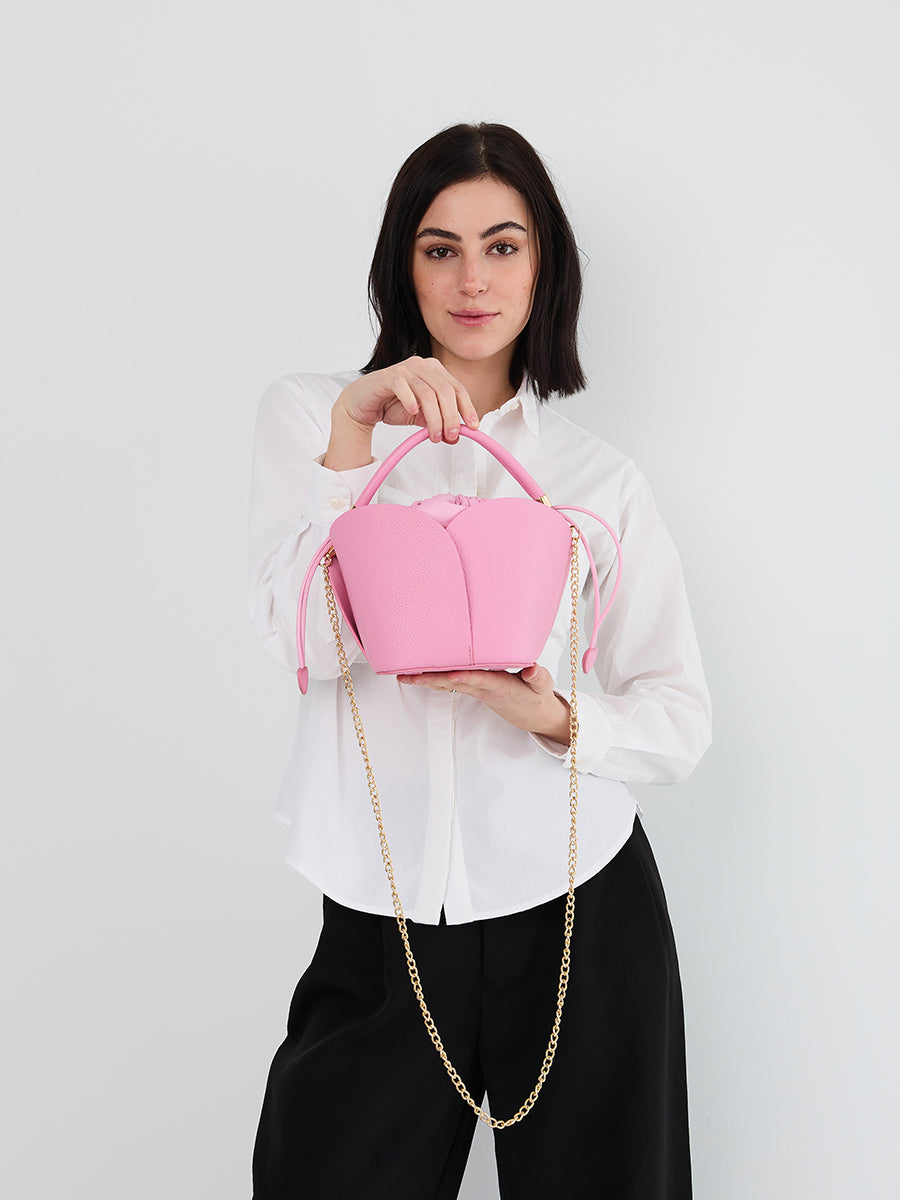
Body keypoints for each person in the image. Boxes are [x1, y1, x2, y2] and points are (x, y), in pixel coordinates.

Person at [247, 122, 711, 1199]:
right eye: (439, 247)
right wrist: (354, 436)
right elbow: (297, 640)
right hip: (383, 920)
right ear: (401, 265)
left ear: (544, 265)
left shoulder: (597, 480)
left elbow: (679, 719)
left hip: (581, 912)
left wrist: (552, 715)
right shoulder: (314, 418)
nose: (472, 279)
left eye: (503, 246)